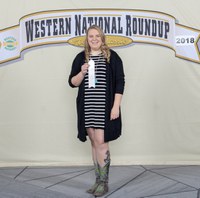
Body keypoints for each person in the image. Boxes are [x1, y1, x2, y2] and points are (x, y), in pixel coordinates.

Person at [68, 25, 125, 197]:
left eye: (97, 36)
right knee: (93, 142)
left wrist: (116, 106)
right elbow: (72, 82)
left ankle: (104, 182)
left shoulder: (112, 57)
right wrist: (82, 72)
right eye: (91, 36)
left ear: (102, 38)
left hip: (104, 107)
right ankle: (97, 180)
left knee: (101, 141)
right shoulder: (80, 58)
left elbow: (120, 82)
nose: (94, 39)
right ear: (87, 38)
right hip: (87, 107)